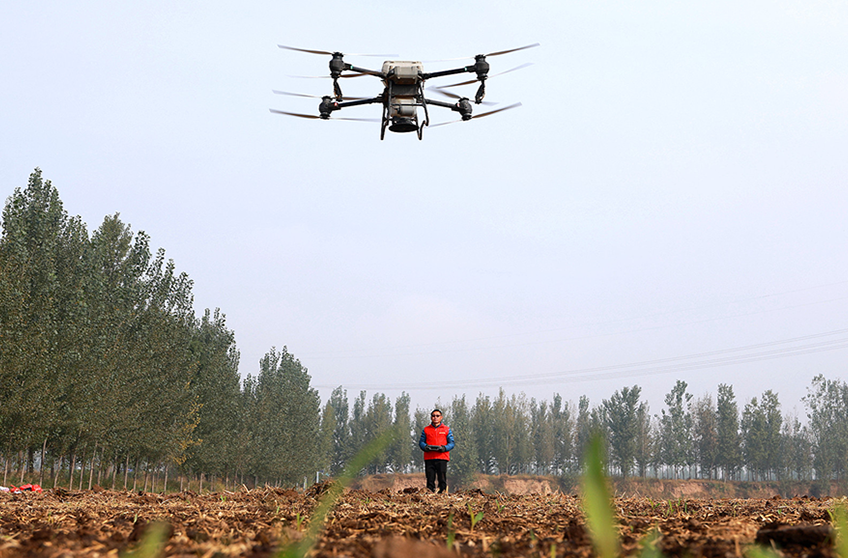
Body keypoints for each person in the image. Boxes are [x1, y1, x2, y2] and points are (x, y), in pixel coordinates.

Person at [418, 409, 455, 493]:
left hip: (442, 457)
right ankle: (430, 492)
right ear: (431, 417)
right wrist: (425, 447)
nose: (435, 417)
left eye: (437, 416)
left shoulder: (446, 429)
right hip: (429, 457)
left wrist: (444, 448)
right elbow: (421, 442)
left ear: (441, 417)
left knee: (442, 477)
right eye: (433, 416)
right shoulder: (426, 429)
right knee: (430, 477)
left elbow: (452, 443)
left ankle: (442, 492)